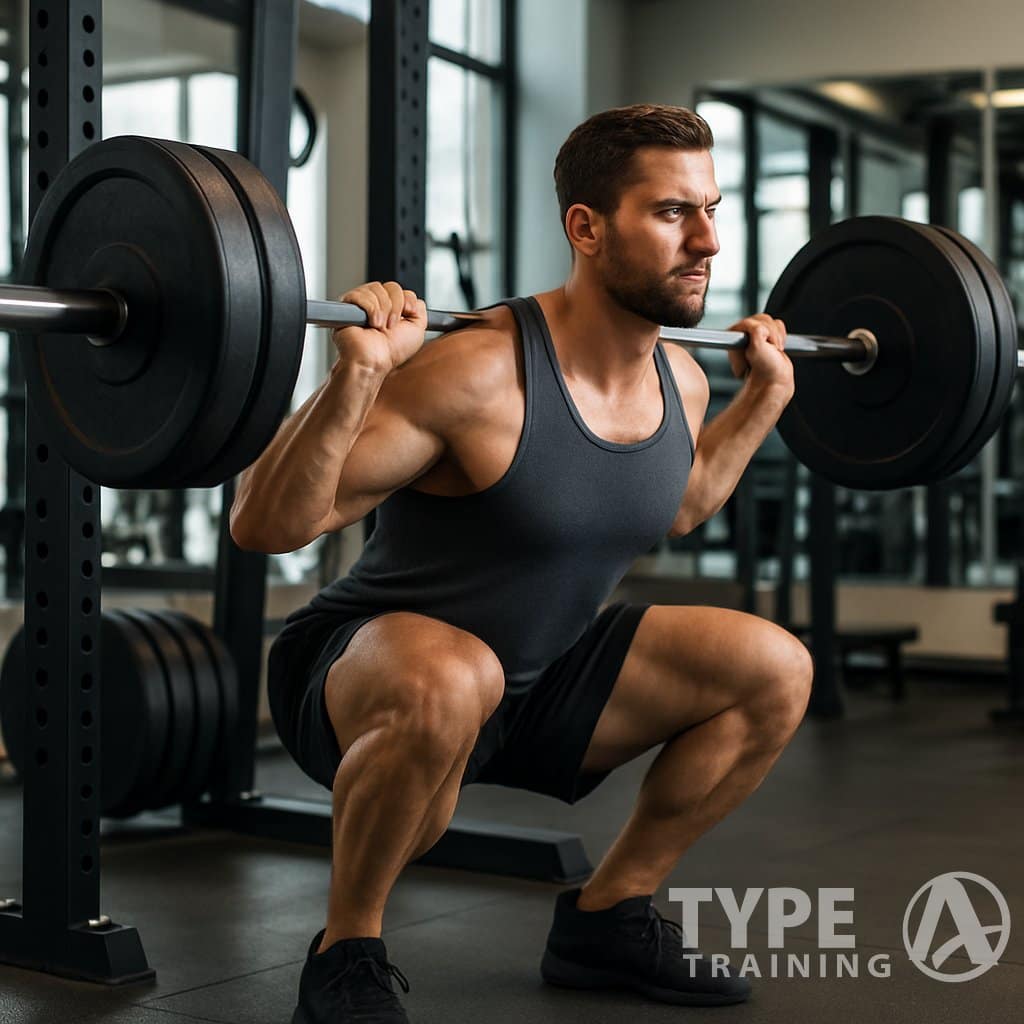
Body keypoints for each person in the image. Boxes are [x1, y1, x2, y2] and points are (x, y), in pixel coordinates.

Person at [231, 103, 814, 1023]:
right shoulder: (478, 371)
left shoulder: (686, 378)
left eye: (711, 208)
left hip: (541, 674)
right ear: (586, 227)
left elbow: (678, 499)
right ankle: (346, 952)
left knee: (775, 667)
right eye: (672, 213)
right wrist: (360, 374)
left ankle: (606, 917)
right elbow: (265, 525)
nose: (706, 239)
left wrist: (765, 400)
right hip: (371, 668)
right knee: (453, 679)